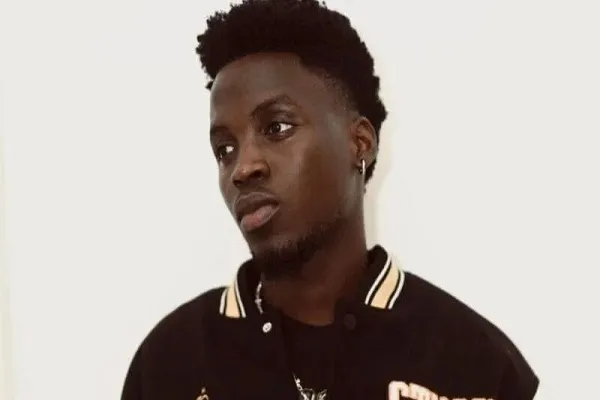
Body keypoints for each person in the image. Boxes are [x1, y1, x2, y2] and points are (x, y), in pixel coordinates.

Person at [121, 0, 539, 399]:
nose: (242, 168)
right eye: (224, 149)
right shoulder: (169, 365)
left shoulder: (474, 362)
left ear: (360, 143)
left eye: (277, 128)